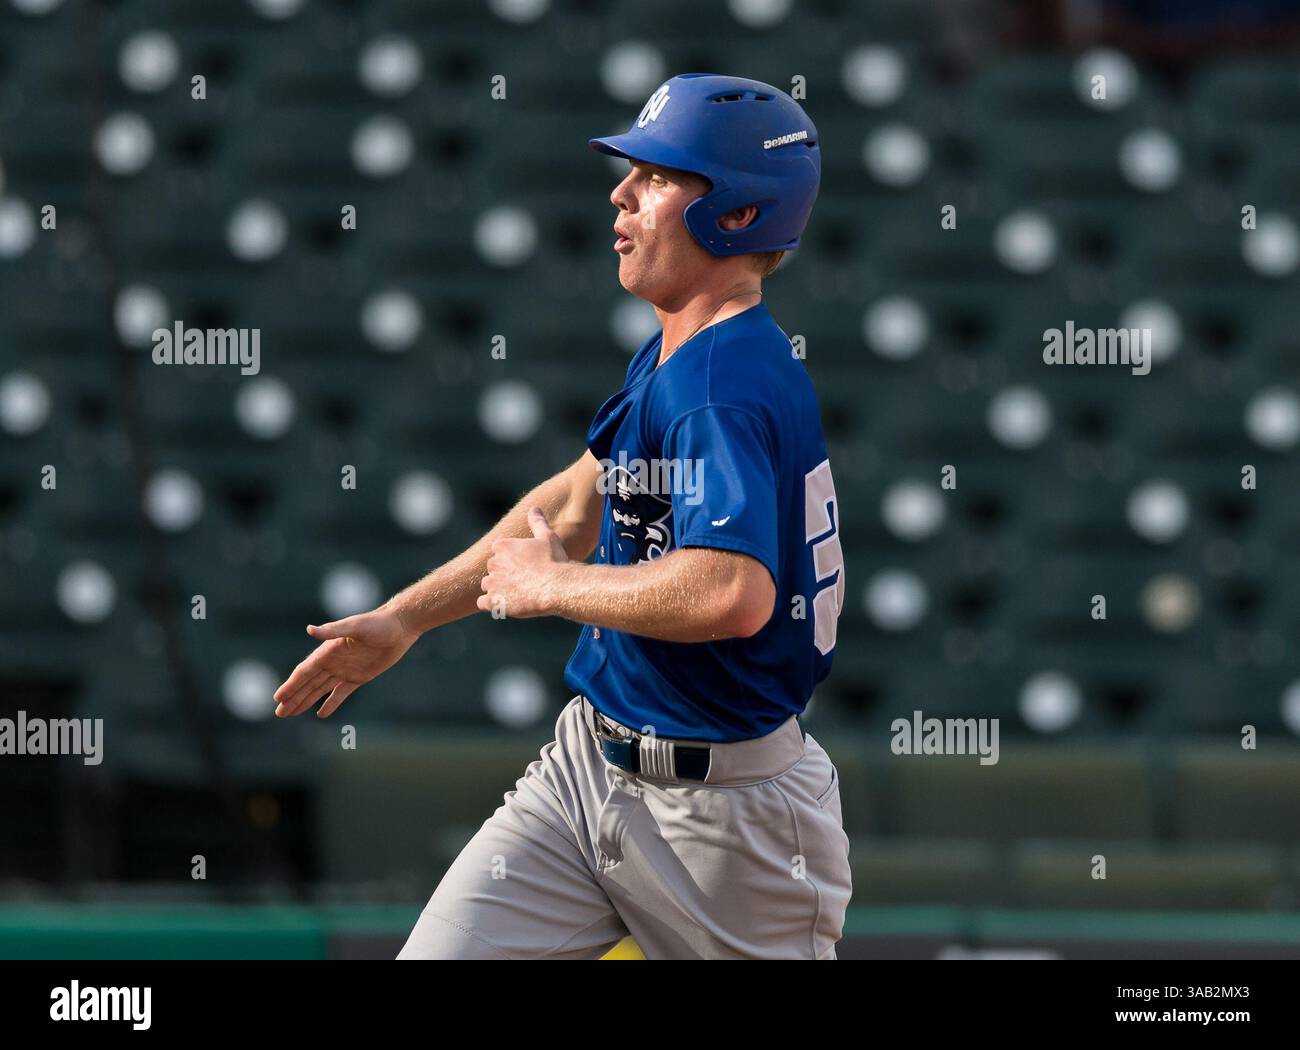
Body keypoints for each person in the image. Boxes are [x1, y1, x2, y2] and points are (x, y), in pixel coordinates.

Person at [272, 73, 851, 959]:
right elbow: (578, 500)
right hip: (588, 771)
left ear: (736, 216)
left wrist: (554, 587)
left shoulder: (720, 382)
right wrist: (407, 618)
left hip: (728, 823)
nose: (622, 193)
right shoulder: (680, 351)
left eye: (659, 176)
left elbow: (734, 593)